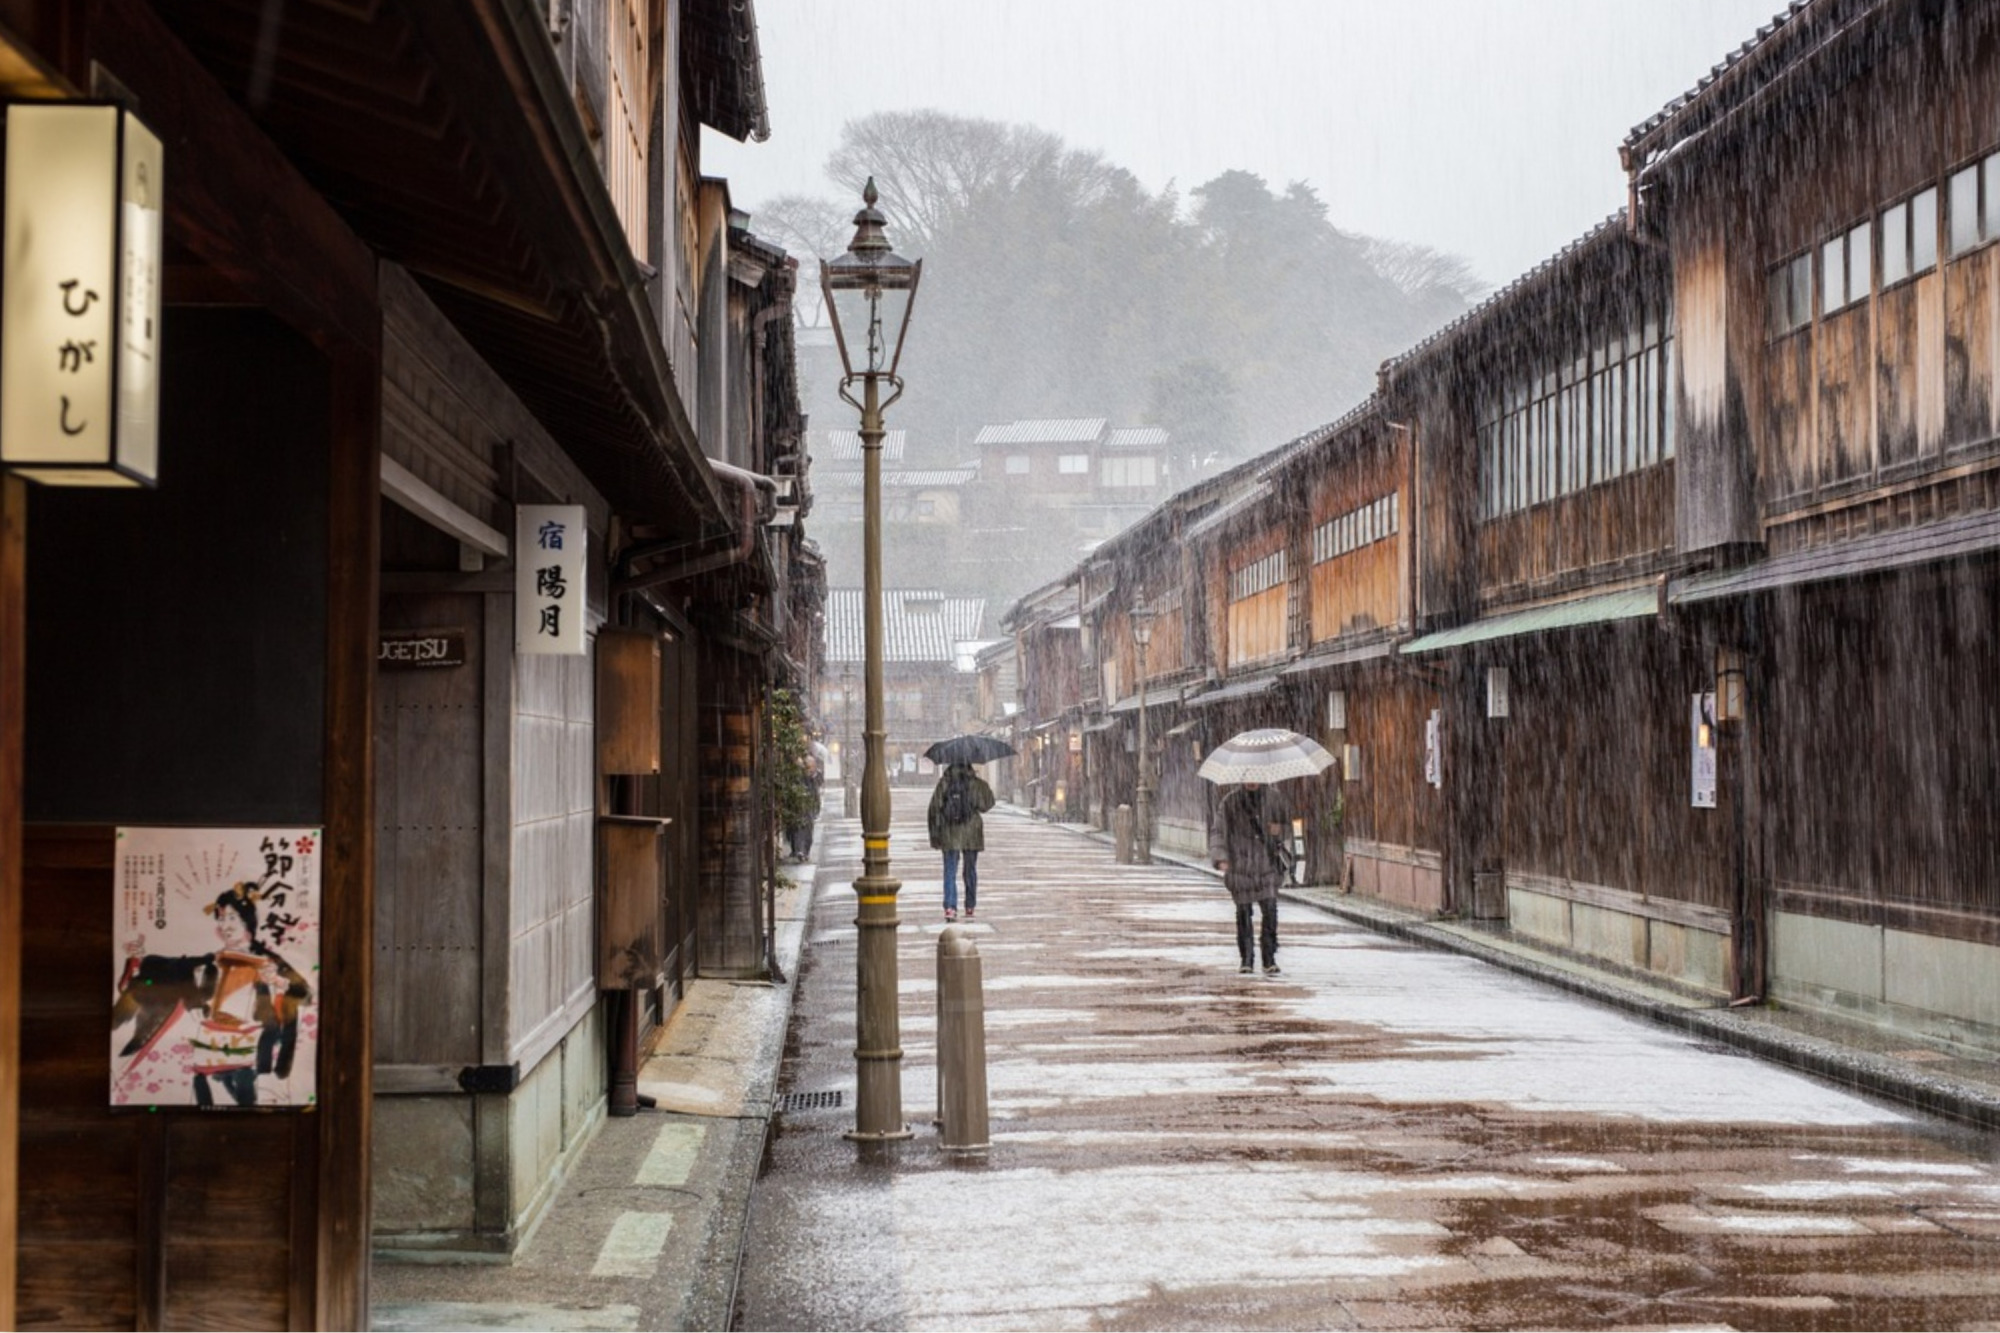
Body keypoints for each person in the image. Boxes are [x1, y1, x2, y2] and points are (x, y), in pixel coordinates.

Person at [1209, 781, 1293, 975]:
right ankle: (1246, 958)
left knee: (1270, 910)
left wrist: (1280, 829)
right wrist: (1220, 857)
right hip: (1241, 865)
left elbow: (1290, 825)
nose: (1252, 781)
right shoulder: (1230, 802)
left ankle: (1269, 958)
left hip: (1267, 864)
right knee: (1243, 913)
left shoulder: (1275, 799)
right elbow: (1218, 831)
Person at [927, 760, 995, 922]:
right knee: (970, 870)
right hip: (972, 833)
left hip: (950, 832)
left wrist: (935, 835)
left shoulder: (944, 783)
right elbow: (987, 804)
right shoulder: (976, 784)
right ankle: (970, 905)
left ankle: (950, 907)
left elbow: (934, 808)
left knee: (950, 870)